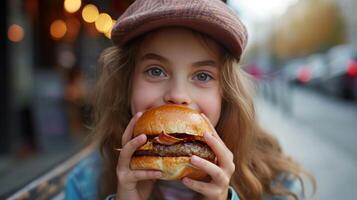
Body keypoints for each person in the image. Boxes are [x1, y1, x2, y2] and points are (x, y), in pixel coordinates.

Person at [65, 0, 315, 199]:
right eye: (155, 71)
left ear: (226, 93)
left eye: (203, 75)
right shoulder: (85, 183)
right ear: (127, 83)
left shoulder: (277, 185)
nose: (177, 95)